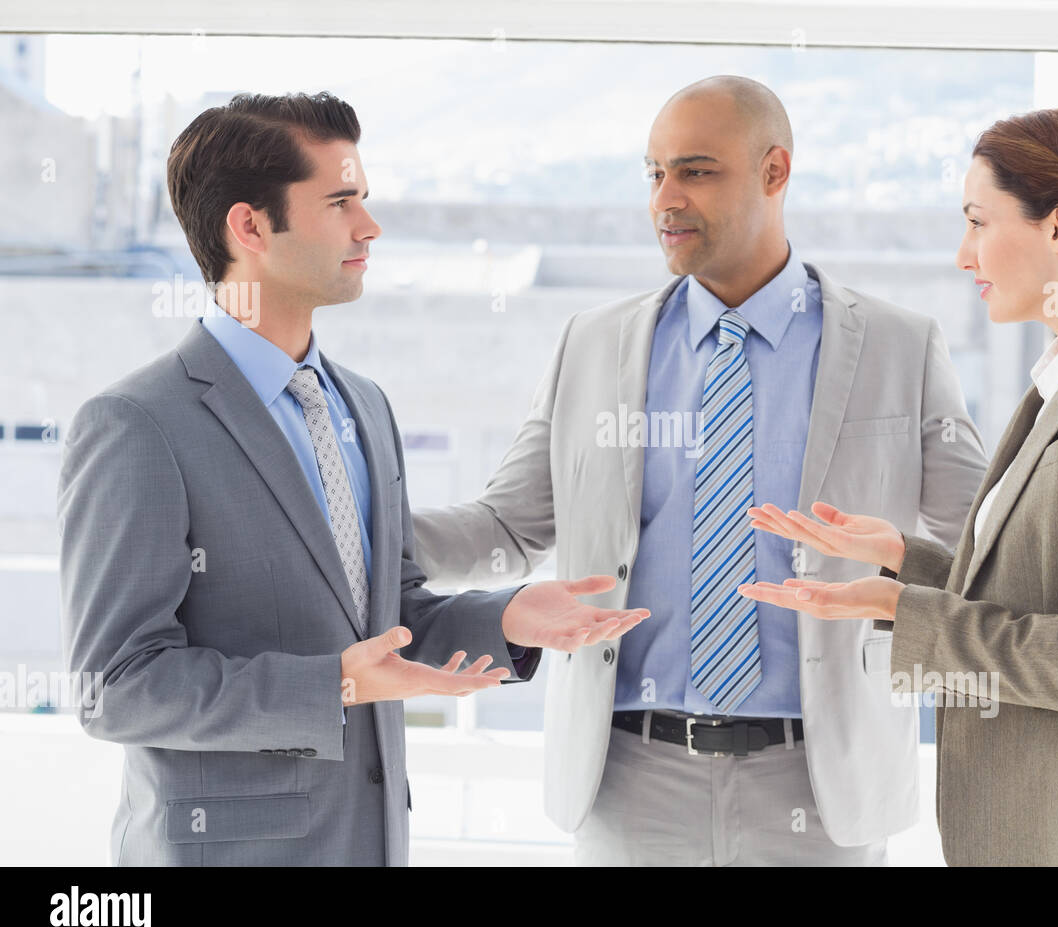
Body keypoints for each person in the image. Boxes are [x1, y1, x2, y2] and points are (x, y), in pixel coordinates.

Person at [57, 92, 648, 866]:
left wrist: (504, 621)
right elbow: (118, 687)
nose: (368, 228)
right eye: (340, 203)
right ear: (250, 227)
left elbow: (387, 613)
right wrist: (331, 684)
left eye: (363, 200)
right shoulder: (138, 424)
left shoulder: (362, 406)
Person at [411, 76, 988, 865]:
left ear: (775, 171)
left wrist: (897, 593)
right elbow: (509, 528)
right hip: (629, 784)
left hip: (820, 790)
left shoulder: (898, 346)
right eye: (654, 174)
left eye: (696, 171)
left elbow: (983, 553)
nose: (665, 200)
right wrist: (353, 525)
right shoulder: (593, 344)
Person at [740, 107, 1058, 866]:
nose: (965, 255)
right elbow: (1046, 590)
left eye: (977, 221)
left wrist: (911, 612)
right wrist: (906, 561)